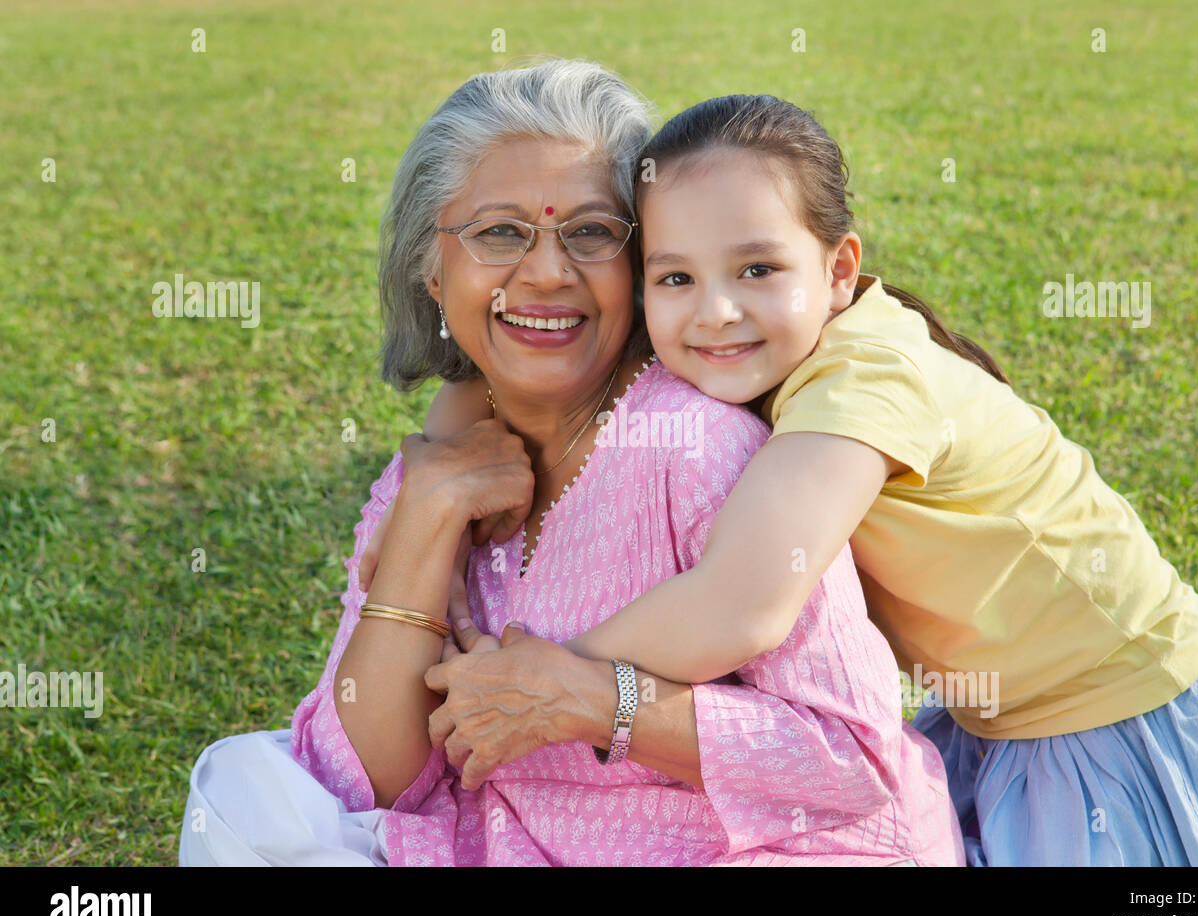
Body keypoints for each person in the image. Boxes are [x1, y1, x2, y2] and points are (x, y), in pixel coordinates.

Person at [370, 93, 1198, 866]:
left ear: (840, 268)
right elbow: (494, 389)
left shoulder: (860, 385)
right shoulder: (763, 353)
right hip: (994, 719)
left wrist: (540, 674)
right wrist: (456, 430)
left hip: (1112, 715)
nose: (717, 313)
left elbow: (742, 605)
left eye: (758, 268)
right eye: (675, 278)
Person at [178, 61, 964, 867]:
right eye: (499, 233)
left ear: (639, 258)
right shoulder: (443, 458)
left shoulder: (701, 448)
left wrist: (595, 702)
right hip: (508, 847)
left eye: (590, 232)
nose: (549, 272)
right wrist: (428, 514)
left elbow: (849, 760)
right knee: (246, 791)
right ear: (432, 266)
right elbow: (359, 780)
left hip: (753, 853)